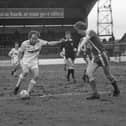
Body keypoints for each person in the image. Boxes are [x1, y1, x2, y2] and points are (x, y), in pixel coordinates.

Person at [74, 21, 120, 100]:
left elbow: (86, 39)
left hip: (102, 55)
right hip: (95, 57)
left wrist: (79, 49)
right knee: (88, 73)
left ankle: (116, 90)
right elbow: (85, 41)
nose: (77, 32)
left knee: (108, 75)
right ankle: (95, 93)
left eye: (77, 30)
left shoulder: (90, 32)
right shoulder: (84, 37)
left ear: (81, 29)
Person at [14, 30, 62, 96]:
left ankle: (28, 92)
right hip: (25, 61)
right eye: (33, 38)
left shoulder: (40, 42)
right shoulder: (24, 43)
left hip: (34, 62)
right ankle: (17, 86)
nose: (35, 40)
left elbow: (49, 43)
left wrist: (58, 42)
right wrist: (19, 61)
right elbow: (20, 52)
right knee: (25, 72)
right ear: (29, 38)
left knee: (36, 76)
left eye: (36, 38)